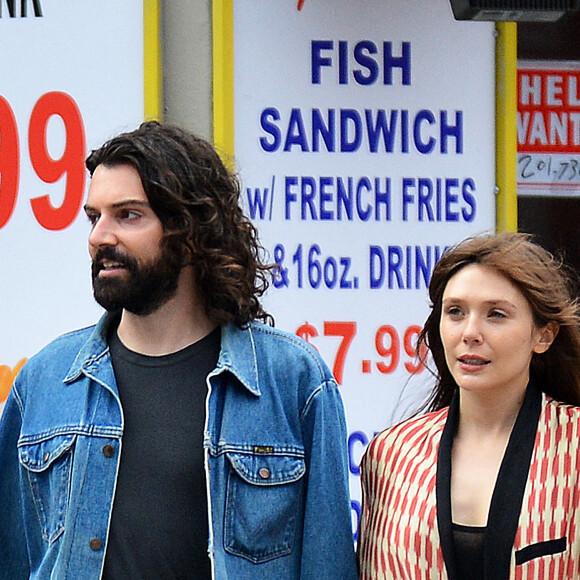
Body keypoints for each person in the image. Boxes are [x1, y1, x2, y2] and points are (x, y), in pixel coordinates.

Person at [0, 121, 357, 579]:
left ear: (190, 231)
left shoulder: (292, 382)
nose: (99, 237)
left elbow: (327, 567)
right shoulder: (45, 381)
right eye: (95, 217)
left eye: (127, 215)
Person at [357, 232, 580, 580]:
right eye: (455, 312)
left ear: (544, 335)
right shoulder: (391, 455)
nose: (470, 332)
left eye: (496, 315)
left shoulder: (574, 444)